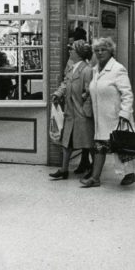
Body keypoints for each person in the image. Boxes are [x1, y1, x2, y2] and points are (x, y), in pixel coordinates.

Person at [82, 37, 135, 188]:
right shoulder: (95, 69)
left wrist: (125, 113)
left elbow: (127, 94)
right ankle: (95, 178)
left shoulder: (118, 69)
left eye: (103, 50)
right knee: (100, 146)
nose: (99, 53)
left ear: (111, 51)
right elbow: (95, 88)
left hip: (116, 116)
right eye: (97, 50)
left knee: (120, 146)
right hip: (100, 116)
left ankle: (129, 174)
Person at [50, 39, 94, 179]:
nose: (70, 51)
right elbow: (65, 83)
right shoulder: (71, 67)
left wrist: (86, 110)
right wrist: (58, 93)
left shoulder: (87, 70)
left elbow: (91, 92)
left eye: (72, 49)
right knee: (66, 142)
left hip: (81, 113)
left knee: (88, 143)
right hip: (70, 112)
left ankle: (94, 169)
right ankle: (64, 170)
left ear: (79, 53)